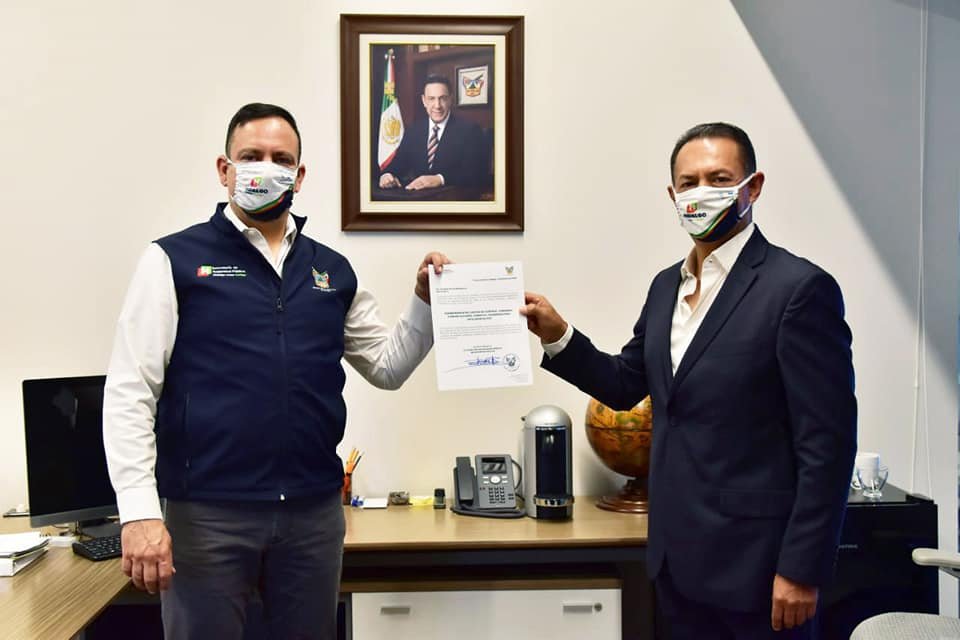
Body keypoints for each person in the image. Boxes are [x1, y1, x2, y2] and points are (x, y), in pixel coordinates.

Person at [103, 102, 449, 640]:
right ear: (225, 169)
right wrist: (139, 512)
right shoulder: (173, 260)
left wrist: (425, 301)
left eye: (281, 159)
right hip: (208, 517)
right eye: (251, 156)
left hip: (313, 517)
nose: (266, 168)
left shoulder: (331, 271)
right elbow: (131, 392)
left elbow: (387, 367)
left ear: (299, 175)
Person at [521, 123, 856, 639]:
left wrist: (802, 569)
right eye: (689, 182)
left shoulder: (798, 290)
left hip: (761, 572)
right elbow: (625, 383)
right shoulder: (666, 288)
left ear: (753, 187)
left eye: (718, 179)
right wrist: (558, 334)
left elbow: (827, 445)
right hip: (676, 564)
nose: (701, 192)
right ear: (673, 196)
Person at [378, 74, 488, 192]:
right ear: (424, 101)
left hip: (453, 198)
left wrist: (440, 179)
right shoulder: (413, 131)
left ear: (450, 99)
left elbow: (476, 174)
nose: (437, 105)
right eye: (431, 99)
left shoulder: (470, 131)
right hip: (419, 198)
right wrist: (387, 175)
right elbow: (396, 165)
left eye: (442, 98)